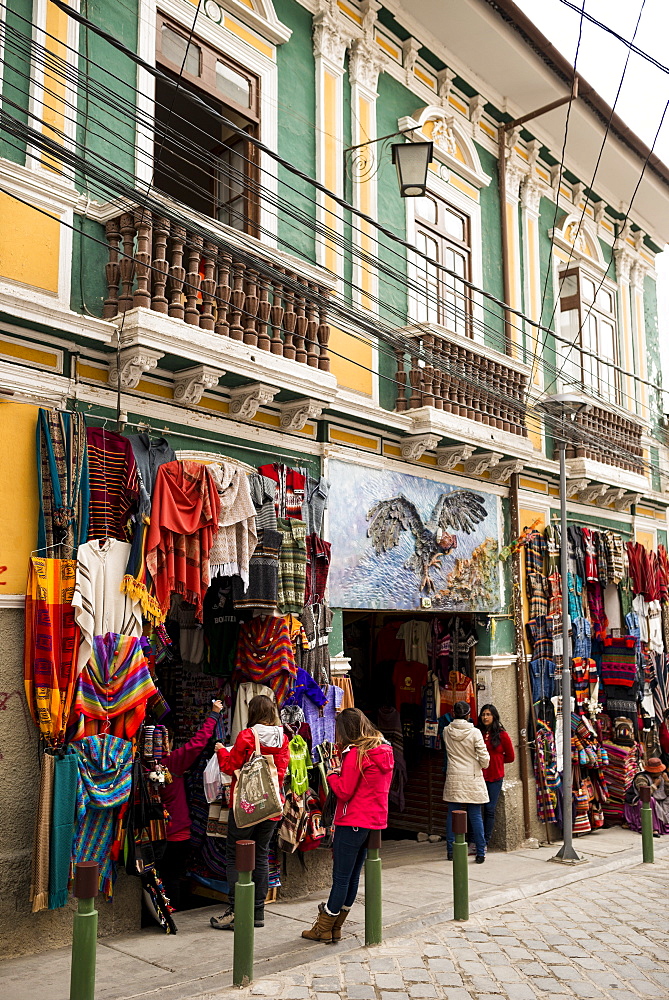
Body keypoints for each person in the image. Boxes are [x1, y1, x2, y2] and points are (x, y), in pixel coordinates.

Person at [302, 707, 394, 944]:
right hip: (372, 822)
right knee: (352, 877)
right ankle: (336, 927)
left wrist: (332, 773)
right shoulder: (382, 750)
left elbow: (344, 791)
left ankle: (323, 927)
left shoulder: (357, 754)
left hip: (352, 820)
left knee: (341, 878)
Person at [210, 695, 290, 930]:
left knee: (236, 855)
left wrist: (221, 751)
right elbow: (281, 771)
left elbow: (230, 766)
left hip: (246, 806)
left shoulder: (248, 736)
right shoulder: (282, 738)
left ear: (252, 712)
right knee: (262, 855)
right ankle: (257, 912)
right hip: (272, 805)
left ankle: (236, 911)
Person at [157, 698, 223, 910]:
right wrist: (214, 714)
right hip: (178, 833)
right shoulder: (172, 762)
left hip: (155, 834)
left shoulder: (144, 765)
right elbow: (198, 742)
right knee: (172, 878)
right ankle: (172, 916)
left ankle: (158, 915)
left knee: (160, 877)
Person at [443, 700, 490, 863]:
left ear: (453, 713)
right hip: (471, 776)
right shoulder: (475, 733)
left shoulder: (446, 731)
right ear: (468, 714)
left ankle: (450, 851)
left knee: (452, 814)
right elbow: (484, 756)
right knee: (475, 814)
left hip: (454, 775)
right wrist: (482, 765)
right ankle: (480, 853)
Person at [477, 704, 515, 848]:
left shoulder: (502, 734)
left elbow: (510, 757)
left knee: (489, 809)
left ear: (494, 716)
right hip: (479, 776)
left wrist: (497, 761)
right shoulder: (477, 732)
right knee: (476, 810)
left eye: (488, 714)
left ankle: (486, 841)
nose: (485, 717)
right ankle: (476, 841)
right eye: (483, 714)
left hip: (495, 777)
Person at [623, 758, 669, 837]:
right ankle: (653, 828)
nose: (661, 772)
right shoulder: (641, 778)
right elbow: (644, 795)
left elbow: (667, 793)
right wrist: (655, 785)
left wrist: (667, 782)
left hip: (659, 802)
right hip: (639, 803)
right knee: (650, 800)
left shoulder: (662, 776)